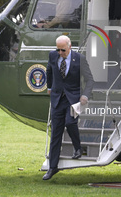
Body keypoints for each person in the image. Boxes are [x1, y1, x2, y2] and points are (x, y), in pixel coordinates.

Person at [43, 35, 94, 180]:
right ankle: (52, 167)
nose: (60, 53)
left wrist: (85, 95)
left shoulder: (79, 59)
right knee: (55, 133)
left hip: (73, 99)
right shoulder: (53, 55)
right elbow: (49, 70)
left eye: (63, 50)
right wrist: (50, 86)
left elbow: (90, 80)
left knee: (70, 122)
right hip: (57, 99)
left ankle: (77, 147)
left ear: (70, 46)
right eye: (58, 50)